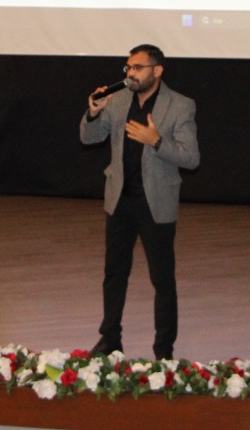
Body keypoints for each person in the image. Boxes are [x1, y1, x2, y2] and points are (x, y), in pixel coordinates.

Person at [80, 44, 199, 360]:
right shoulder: (118, 100)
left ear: (157, 71)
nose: (130, 74)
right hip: (120, 200)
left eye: (138, 68)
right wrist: (94, 112)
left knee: (162, 280)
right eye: (128, 68)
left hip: (155, 203)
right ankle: (110, 339)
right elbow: (89, 138)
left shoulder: (180, 105)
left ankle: (163, 351)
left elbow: (191, 157)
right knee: (114, 274)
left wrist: (156, 141)